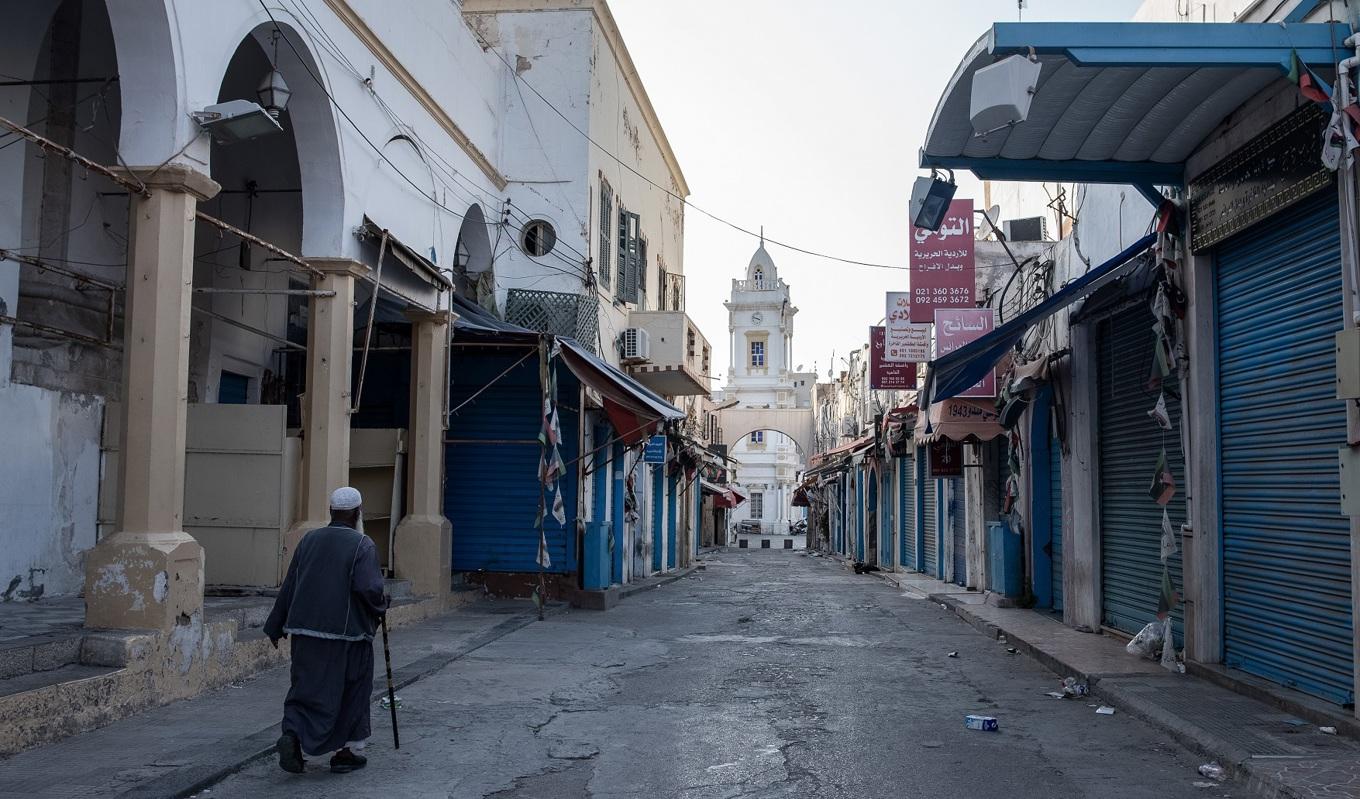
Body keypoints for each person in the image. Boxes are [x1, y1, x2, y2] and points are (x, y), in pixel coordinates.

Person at [264, 486, 389, 775]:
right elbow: (369, 589)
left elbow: (291, 583)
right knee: (352, 689)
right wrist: (383, 604)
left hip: (305, 632)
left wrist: (276, 624)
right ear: (358, 513)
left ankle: (293, 735)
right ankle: (348, 751)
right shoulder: (363, 545)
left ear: (331, 512)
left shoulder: (309, 540)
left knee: (305, 687)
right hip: (348, 636)